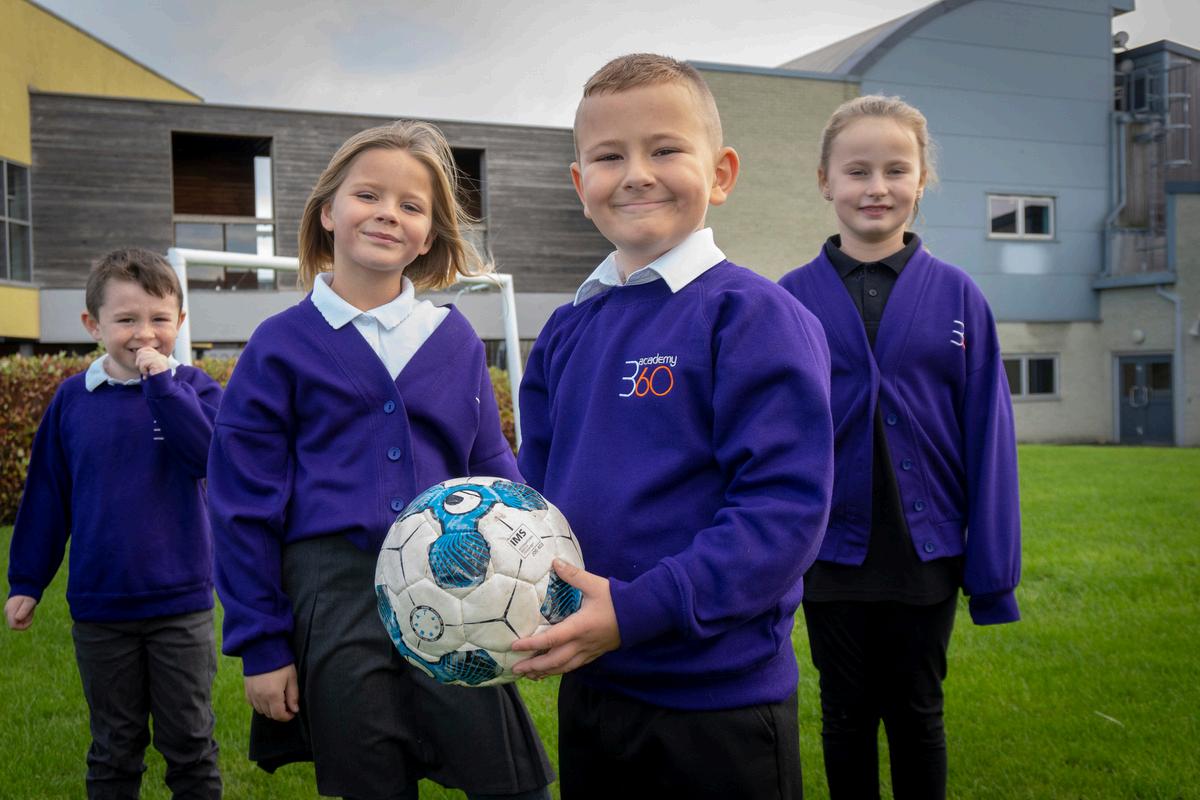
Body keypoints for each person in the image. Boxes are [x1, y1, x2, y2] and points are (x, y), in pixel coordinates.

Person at [511, 53, 834, 799]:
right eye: (609, 157)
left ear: (720, 174)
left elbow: (782, 513)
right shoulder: (565, 330)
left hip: (717, 702)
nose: (636, 175)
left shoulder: (752, 316)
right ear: (579, 185)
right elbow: (537, 499)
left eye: (664, 150)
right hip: (593, 683)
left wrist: (636, 610)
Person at [207, 120, 553, 800]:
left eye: (410, 205)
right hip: (332, 595)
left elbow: (490, 463)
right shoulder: (278, 346)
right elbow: (241, 507)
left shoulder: (454, 339)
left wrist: (538, 566)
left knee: (513, 782)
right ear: (327, 212)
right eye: (368, 195)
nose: (388, 213)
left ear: (428, 236)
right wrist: (263, 644)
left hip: (458, 581)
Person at [778, 95, 1022, 800]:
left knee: (918, 714)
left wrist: (993, 571)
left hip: (925, 555)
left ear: (922, 180)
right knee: (844, 714)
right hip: (828, 555)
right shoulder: (786, 301)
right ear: (825, 180)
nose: (876, 187)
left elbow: (989, 434)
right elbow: (767, 438)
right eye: (857, 171)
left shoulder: (959, 297)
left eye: (895, 170)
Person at [5, 247, 223, 799]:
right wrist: (27, 580)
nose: (144, 334)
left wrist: (163, 387)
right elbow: (47, 495)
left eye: (159, 319)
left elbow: (208, 458)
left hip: (181, 605)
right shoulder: (72, 402)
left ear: (180, 321)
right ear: (93, 325)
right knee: (113, 747)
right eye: (126, 319)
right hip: (101, 609)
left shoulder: (195, 388)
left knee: (191, 745)